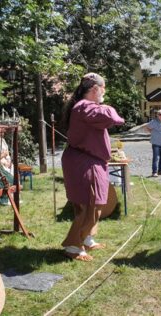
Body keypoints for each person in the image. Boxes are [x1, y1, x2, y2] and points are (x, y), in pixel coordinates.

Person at [61, 73, 124, 261]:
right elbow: (109, 116)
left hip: (89, 160)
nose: (104, 93)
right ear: (95, 89)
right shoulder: (84, 107)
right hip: (84, 161)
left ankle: (86, 238)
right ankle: (73, 246)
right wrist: (109, 109)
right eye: (103, 89)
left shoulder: (84, 106)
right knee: (88, 203)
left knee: (95, 201)